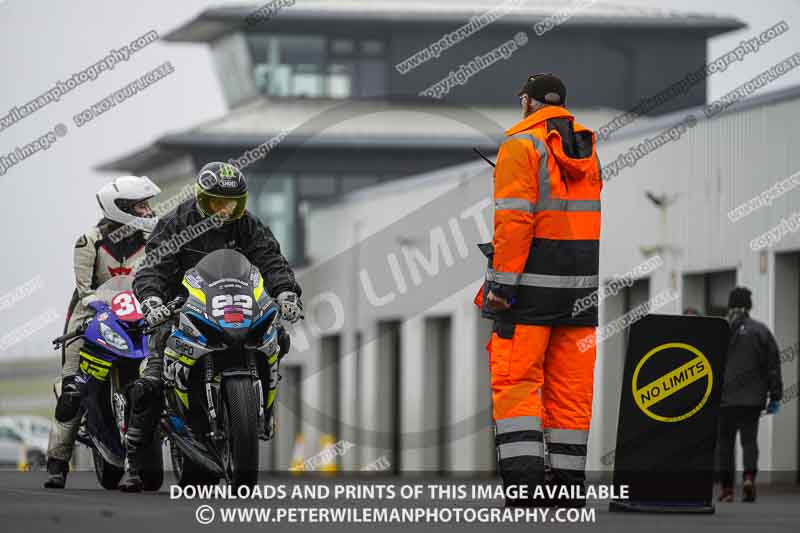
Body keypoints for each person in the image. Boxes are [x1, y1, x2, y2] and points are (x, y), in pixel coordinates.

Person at [120, 161, 303, 492]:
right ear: (202, 200)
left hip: (237, 305)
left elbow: (272, 261)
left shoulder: (247, 226)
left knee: (280, 336)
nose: (224, 209)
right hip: (181, 309)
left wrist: (286, 291)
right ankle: (135, 463)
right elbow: (152, 269)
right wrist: (151, 301)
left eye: (232, 203)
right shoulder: (177, 223)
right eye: (217, 202)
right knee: (150, 380)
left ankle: (262, 411)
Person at [474, 73, 602, 507]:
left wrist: (501, 288)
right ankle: (567, 489)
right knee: (570, 393)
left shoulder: (520, 146)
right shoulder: (586, 150)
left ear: (527, 103)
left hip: (527, 293)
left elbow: (515, 222)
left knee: (516, 383)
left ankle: (526, 487)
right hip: (580, 297)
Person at [44, 176, 161, 488]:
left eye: (147, 203)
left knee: (155, 380)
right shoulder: (89, 240)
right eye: (141, 204)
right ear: (121, 208)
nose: (148, 209)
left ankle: (148, 457)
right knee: (73, 388)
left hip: (138, 318)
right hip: (89, 317)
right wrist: (96, 304)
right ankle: (57, 463)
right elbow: (84, 289)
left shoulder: (153, 239)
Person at [717, 286, 782, 503]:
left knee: (725, 445)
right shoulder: (760, 331)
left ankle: (727, 489)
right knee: (749, 442)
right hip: (752, 400)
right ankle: (748, 478)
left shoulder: (720, 329)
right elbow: (773, 365)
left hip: (723, 401)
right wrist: (775, 395)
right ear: (749, 305)